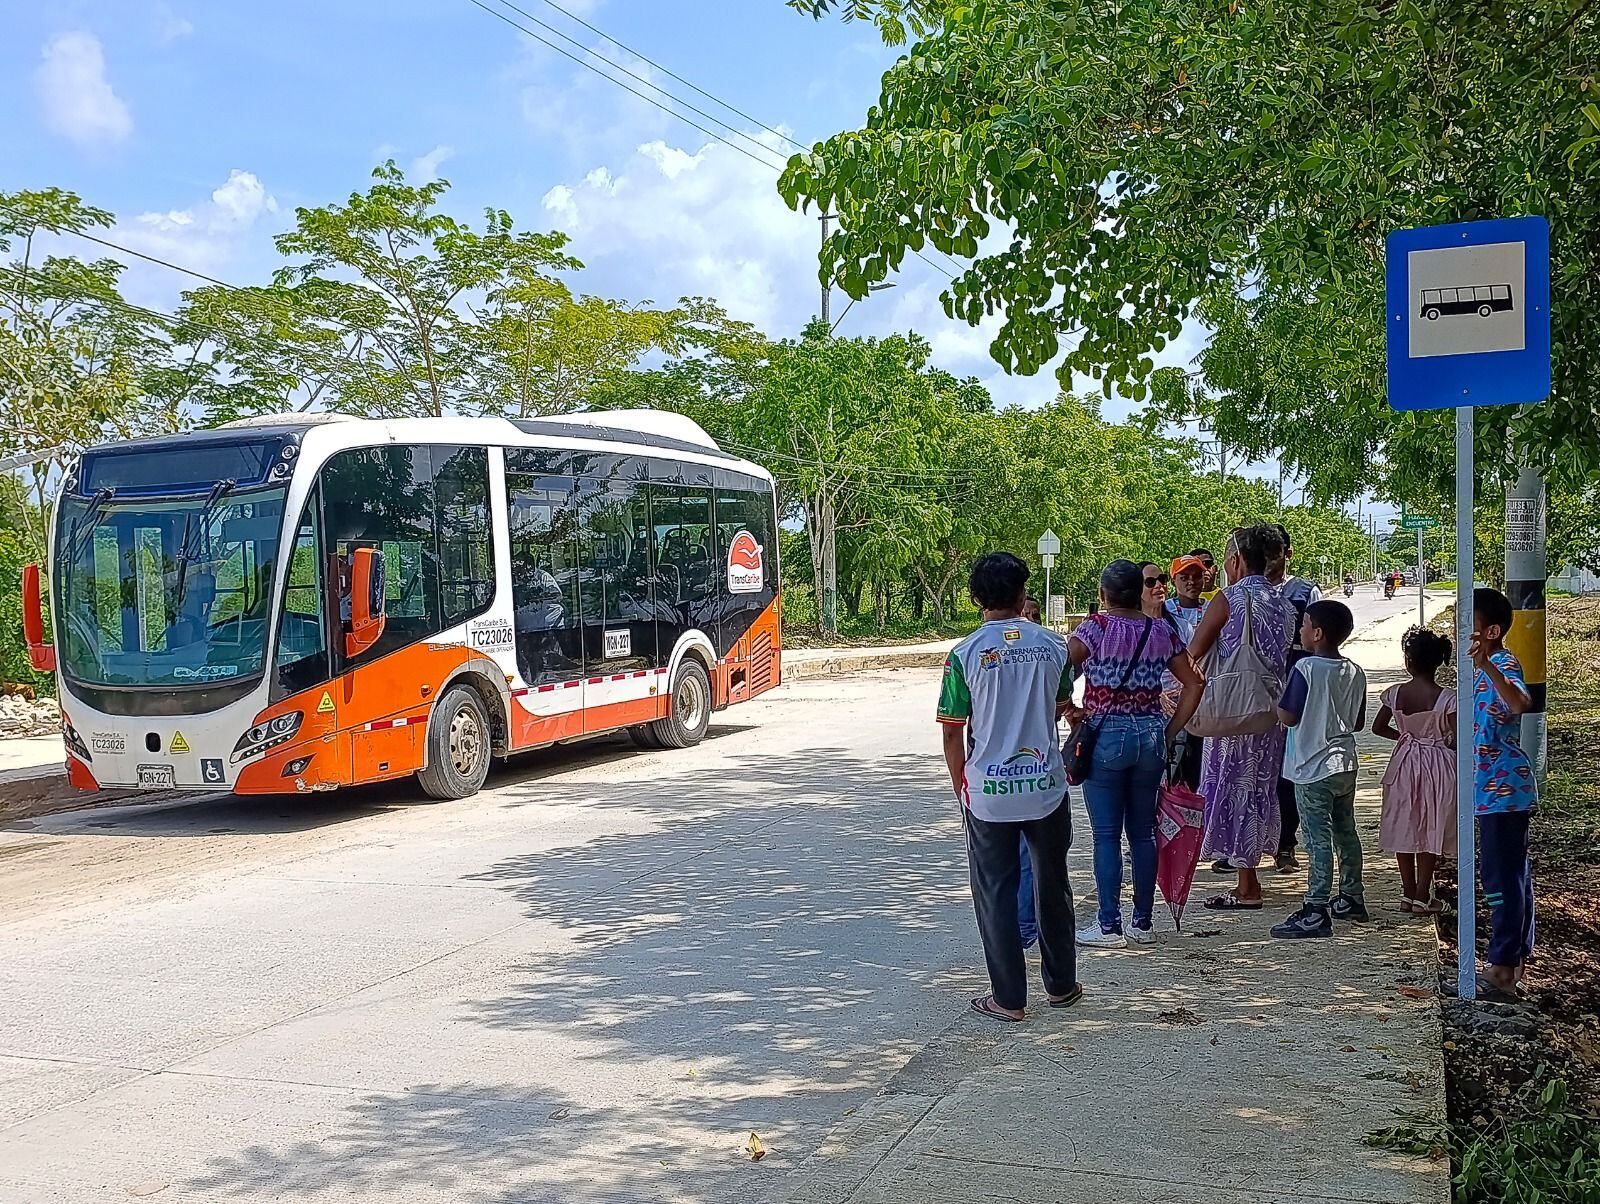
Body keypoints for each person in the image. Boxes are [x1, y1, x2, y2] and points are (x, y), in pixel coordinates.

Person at [938, 552, 1081, 1020]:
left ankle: (1008, 998)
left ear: (976, 598)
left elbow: (952, 730)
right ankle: (1062, 985)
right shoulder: (1054, 646)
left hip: (989, 795)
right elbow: (1061, 701)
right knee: (1053, 884)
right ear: (1023, 595)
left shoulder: (963, 655)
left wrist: (962, 786)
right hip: (1046, 788)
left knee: (995, 893)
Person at [1067, 560, 1204, 946]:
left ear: (1103, 595)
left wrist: (1068, 708)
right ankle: (1143, 922)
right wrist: (1170, 730)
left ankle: (1108, 925)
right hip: (1150, 736)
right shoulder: (1161, 631)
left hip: (1105, 737)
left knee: (1106, 835)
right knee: (1143, 833)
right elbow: (1195, 683)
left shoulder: (1095, 628)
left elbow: (1060, 670)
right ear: (1138, 592)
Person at [1190, 525, 1295, 910]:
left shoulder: (1229, 598)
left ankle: (1247, 885)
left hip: (1233, 710)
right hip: (1269, 711)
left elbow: (1193, 653)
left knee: (1233, 785)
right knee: (1258, 787)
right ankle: (1247, 875)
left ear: (1235, 560)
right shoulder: (1283, 603)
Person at [1269, 601, 1368, 938]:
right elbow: (1357, 722)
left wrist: (1276, 705)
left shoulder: (1306, 668)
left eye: (1305, 624)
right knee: (1346, 831)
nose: (1301, 630)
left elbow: (1288, 716)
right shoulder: (1355, 671)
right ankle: (1352, 897)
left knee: (1316, 838)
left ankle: (1315, 908)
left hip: (1312, 766)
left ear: (1318, 633)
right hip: (1345, 764)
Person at [1470, 587, 1537, 1000]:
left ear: (1492, 631)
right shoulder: (1479, 670)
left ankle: (1502, 967)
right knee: (1511, 875)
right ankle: (1512, 959)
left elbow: (1519, 703)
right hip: (1488, 791)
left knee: (1502, 878)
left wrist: (1487, 667)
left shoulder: (1501, 663)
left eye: (1469, 623)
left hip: (1505, 790)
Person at [1373, 627, 1456, 916]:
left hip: (1405, 763)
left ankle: (1407, 893)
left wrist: (1406, 738)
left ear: (1407, 661)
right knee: (1432, 823)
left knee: (1405, 823)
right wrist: (1439, 741)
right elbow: (1456, 739)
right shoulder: (1447, 699)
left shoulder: (1395, 694)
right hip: (1439, 766)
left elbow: (1378, 727)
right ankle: (1423, 896)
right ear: (1438, 662)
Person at [1266, 524, 1322, 874]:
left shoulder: (1305, 592)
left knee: (1286, 773)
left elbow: (1320, 643)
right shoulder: (1243, 594)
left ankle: (1285, 843)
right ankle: (1247, 846)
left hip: (1292, 692)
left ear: (1287, 554)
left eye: (1275, 552)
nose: (1269, 560)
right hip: (1255, 694)